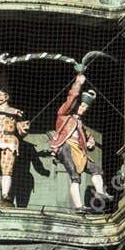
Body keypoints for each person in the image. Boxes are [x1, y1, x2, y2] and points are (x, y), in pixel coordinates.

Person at [51, 73, 109, 213]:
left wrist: (90, 141)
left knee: (95, 169)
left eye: (86, 108)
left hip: (79, 150)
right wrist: (78, 83)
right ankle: (79, 206)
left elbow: (85, 135)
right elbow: (71, 98)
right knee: (75, 176)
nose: (83, 109)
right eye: (82, 106)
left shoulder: (80, 123)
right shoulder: (63, 115)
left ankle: (100, 192)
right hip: (66, 147)